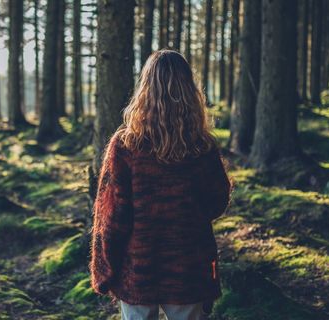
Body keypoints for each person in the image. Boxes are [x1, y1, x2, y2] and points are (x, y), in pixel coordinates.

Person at [90, 50, 232, 320]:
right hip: (189, 269)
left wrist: (104, 269)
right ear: (190, 91)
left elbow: (111, 217)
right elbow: (217, 202)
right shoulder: (203, 146)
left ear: (144, 90)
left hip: (138, 271)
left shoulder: (125, 146)